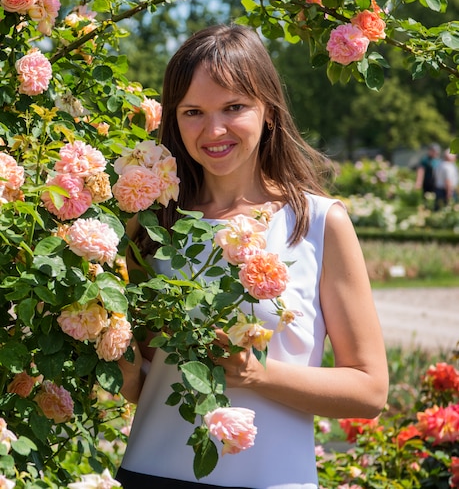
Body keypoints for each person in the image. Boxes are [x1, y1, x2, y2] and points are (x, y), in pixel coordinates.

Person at [116, 25, 389, 489]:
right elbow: (139, 382)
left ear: (269, 110)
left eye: (234, 107)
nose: (213, 129)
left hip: (274, 480)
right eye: (193, 112)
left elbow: (370, 389)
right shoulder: (151, 224)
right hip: (149, 471)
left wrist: (258, 375)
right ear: (174, 120)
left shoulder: (319, 222)